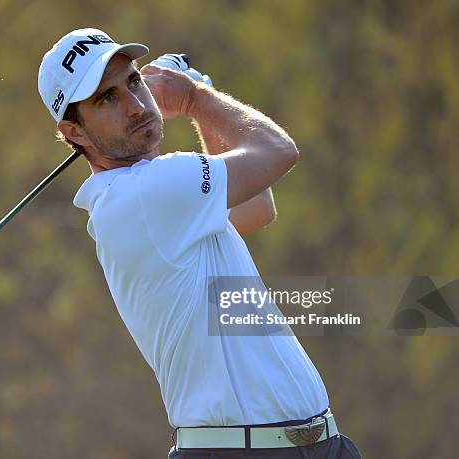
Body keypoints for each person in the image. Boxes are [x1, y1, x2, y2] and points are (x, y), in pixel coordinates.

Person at [38, 28, 361, 458]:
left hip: (313, 445)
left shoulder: (157, 202)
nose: (136, 106)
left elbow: (256, 207)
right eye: (107, 99)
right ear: (74, 132)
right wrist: (194, 98)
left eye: (133, 82)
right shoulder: (145, 192)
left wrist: (201, 103)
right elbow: (277, 151)